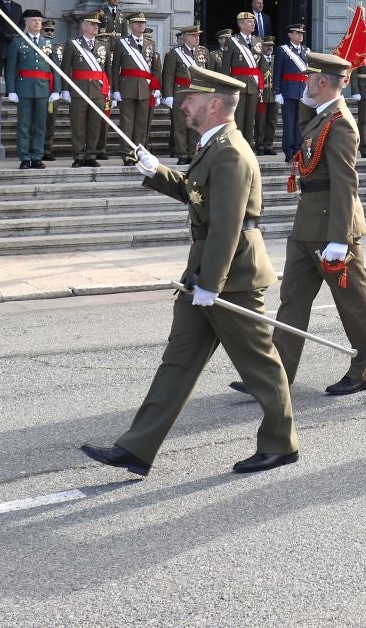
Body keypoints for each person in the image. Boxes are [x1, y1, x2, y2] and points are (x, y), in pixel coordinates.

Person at [82, 67, 298, 476]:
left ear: (214, 105)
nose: (183, 105)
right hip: (204, 275)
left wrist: (212, 283)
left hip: (231, 278)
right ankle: (136, 448)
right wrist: (156, 171)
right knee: (176, 364)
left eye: (191, 100)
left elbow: (227, 224)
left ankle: (280, 443)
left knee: (260, 367)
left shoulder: (232, 151)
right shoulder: (213, 145)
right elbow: (196, 193)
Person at [232, 50, 366, 398]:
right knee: (292, 298)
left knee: (352, 302)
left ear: (323, 82)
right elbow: (306, 145)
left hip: (332, 226)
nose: (305, 82)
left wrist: (339, 239)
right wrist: (305, 104)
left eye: (309, 78)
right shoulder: (321, 115)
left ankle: (364, 370)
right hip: (308, 222)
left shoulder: (340, 122)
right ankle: (276, 374)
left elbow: (346, 182)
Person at [2, 9, 60, 169]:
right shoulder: (17, 42)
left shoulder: (48, 42)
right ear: (26, 22)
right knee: (24, 125)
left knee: (41, 125)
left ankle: (37, 156)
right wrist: (11, 90)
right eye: (34, 20)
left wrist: (57, 89)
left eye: (39, 21)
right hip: (24, 87)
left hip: (43, 89)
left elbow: (56, 68)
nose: (37, 23)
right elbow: (11, 68)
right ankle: (24, 157)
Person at [108, 14, 162, 165]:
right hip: (127, 87)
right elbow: (115, 68)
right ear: (131, 25)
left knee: (141, 123)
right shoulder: (122, 43)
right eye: (138, 23)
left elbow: (155, 67)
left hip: (145, 88)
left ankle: (141, 153)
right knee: (127, 122)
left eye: (143, 23)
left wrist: (156, 87)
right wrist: (116, 89)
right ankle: (127, 154)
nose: (141, 26)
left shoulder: (150, 43)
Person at [63, 14, 112, 166]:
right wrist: (65, 90)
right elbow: (65, 68)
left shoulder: (104, 45)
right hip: (79, 90)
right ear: (84, 26)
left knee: (94, 125)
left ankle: (91, 155)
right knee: (78, 125)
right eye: (92, 24)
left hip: (98, 91)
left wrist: (110, 90)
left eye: (97, 24)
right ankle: (78, 155)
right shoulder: (73, 44)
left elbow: (107, 71)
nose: (96, 26)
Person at [159, 25, 208, 164]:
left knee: (195, 126)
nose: (197, 38)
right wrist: (168, 95)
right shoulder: (175, 53)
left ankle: (192, 153)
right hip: (181, 94)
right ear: (185, 37)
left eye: (198, 36)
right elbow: (168, 76)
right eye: (193, 36)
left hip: (199, 94)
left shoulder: (203, 52)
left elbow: (208, 74)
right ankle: (181, 153)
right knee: (180, 126)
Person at [220, 11, 265, 143]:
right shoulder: (232, 41)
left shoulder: (258, 41)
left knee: (250, 119)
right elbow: (225, 66)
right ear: (240, 24)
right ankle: (237, 145)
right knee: (238, 119)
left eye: (253, 22)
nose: (253, 24)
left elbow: (261, 66)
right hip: (237, 84)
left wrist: (261, 84)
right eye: (249, 22)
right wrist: (225, 88)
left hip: (253, 84)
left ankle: (248, 146)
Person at [273, 24, 312, 160]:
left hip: (303, 91)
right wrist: (277, 91)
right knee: (289, 122)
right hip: (288, 91)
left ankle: (298, 149)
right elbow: (277, 72)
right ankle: (288, 151)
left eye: (302, 33)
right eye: (297, 33)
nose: (301, 35)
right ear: (290, 35)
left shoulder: (306, 50)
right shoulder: (282, 50)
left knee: (300, 123)